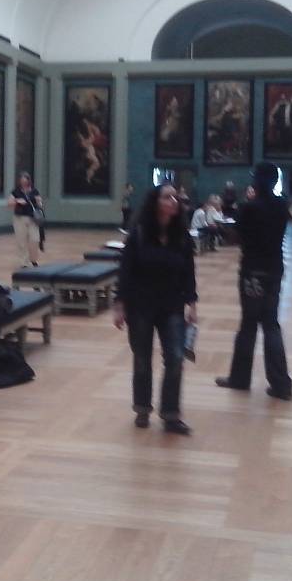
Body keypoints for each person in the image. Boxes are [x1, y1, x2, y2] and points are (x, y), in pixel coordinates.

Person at [113, 184, 197, 434]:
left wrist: (192, 303)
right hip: (141, 305)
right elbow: (126, 271)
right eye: (167, 197)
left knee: (176, 357)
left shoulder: (182, 236)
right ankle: (142, 408)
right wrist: (119, 304)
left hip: (172, 305)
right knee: (142, 359)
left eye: (175, 197)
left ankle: (171, 414)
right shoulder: (139, 234)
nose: (174, 201)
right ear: (155, 202)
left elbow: (188, 272)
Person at [215, 162, 292, 401]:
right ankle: (281, 384)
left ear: (257, 180)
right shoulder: (285, 204)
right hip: (274, 270)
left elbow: (234, 237)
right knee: (271, 324)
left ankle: (240, 378)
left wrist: (221, 228)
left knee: (249, 324)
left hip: (252, 271)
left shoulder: (249, 207)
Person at [7, 172, 43, 268]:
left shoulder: (34, 191)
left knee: (35, 239)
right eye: (22, 181)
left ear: (29, 181)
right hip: (19, 218)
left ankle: (33, 259)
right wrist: (17, 201)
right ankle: (24, 262)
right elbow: (9, 204)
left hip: (33, 218)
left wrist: (38, 201)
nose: (23, 183)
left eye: (25, 181)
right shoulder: (16, 192)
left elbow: (40, 204)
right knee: (21, 241)